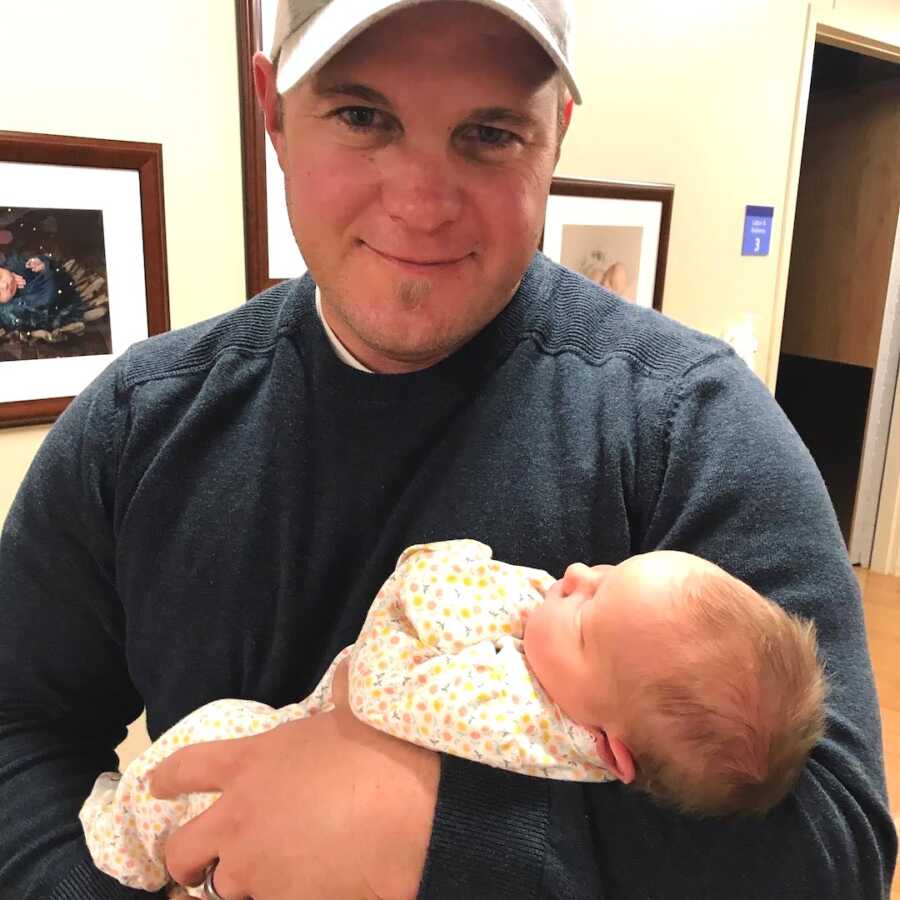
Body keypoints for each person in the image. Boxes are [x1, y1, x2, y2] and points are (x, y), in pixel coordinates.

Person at [0, 1, 895, 898]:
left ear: (557, 136)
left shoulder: (690, 427)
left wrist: (433, 832)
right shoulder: (137, 423)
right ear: (271, 110)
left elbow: (838, 850)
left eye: (491, 133)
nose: (422, 206)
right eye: (362, 118)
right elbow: (19, 727)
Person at [78, 540, 827, 894]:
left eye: (589, 616)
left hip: (275, 778)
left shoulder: (515, 714)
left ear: (610, 749)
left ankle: (121, 845)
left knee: (205, 736)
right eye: (607, 572)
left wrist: (432, 572)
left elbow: (382, 692)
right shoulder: (576, 691)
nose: (574, 575)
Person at [0, 253, 86, 334]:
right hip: (61, 310)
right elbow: (50, 296)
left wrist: (40, 262)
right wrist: (47, 269)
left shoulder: (14, 264)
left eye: (0, 276)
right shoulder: (11, 311)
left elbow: (43, 260)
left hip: (60, 285)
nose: (5, 285)